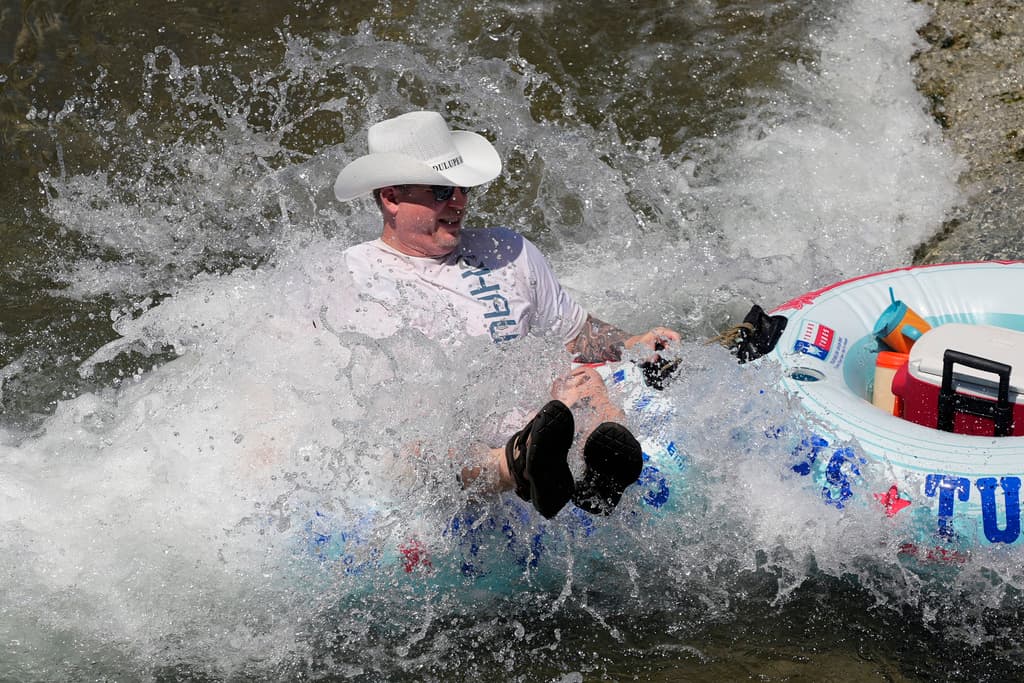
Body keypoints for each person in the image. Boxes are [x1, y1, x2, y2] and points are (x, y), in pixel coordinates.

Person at [332, 110, 680, 519]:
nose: (459, 201)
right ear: (392, 198)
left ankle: (597, 476)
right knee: (419, 441)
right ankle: (516, 465)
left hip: (546, 420)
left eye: (462, 188)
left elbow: (577, 333)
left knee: (586, 384)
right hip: (450, 444)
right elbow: (370, 409)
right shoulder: (353, 278)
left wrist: (631, 344)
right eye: (441, 191)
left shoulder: (505, 249)